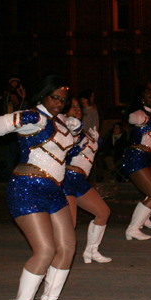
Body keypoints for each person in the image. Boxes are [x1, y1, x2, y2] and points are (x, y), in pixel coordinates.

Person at [0, 75, 82, 300]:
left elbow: (68, 152)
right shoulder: (35, 118)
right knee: (44, 251)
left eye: (63, 100)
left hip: (54, 190)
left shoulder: (60, 121)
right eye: (54, 98)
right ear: (43, 95)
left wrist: (75, 128)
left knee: (68, 247)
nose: (58, 104)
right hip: (27, 188)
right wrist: (20, 118)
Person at [62, 96, 112, 264]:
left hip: (81, 181)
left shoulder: (84, 130)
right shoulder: (65, 128)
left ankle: (91, 251)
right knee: (69, 226)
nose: (77, 109)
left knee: (103, 212)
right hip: (67, 179)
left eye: (78, 107)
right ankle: (54, 259)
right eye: (72, 106)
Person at [121, 85, 151, 241]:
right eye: (149, 96)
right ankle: (133, 229)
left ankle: (145, 217)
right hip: (135, 156)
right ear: (142, 100)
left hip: (146, 158)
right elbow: (132, 119)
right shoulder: (140, 113)